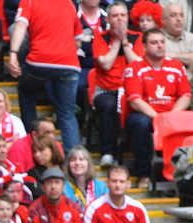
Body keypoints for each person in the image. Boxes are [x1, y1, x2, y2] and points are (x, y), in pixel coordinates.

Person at [8, 0, 82, 153]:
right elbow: (78, 42)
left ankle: (32, 147)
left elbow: (19, 26)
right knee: (67, 114)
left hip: (40, 61)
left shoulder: (29, 1)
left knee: (26, 91)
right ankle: (74, 159)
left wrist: (13, 53)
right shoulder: (69, 4)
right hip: (69, 65)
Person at [123, 28, 191, 188]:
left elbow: (186, 96)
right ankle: (144, 175)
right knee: (141, 123)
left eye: (162, 42)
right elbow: (135, 101)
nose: (160, 46)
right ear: (144, 47)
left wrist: (171, 117)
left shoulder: (176, 66)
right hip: (146, 114)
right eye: (154, 43)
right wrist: (159, 119)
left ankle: (187, 174)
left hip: (172, 115)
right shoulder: (134, 67)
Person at [92, 2, 144, 168]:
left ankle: (133, 153)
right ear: (107, 19)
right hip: (106, 90)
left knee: (140, 114)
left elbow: (138, 65)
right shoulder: (100, 37)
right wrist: (116, 42)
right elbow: (106, 64)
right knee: (108, 104)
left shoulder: (137, 37)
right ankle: (108, 153)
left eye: (123, 15)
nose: (120, 19)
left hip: (132, 90)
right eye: (115, 16)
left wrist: (125, 42)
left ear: (128, 18)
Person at [63, 145, 107, 212]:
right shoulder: (63, 188)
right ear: (68, 165)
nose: (77, 163)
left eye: (81, 159)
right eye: (73, 160)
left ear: (88, 164)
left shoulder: (102, 187)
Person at [26, 135, 64, 200]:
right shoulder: (33, 173)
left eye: (41, 150)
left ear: (52, 150)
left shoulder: (65, 168)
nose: (37, 155)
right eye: (35, 152)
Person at [162, 2, 193, 79]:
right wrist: (188, 58)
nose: (179, 19)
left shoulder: (192, 38)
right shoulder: (156, 38)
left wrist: (172, 55)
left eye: (181, 15)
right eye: (173, 15)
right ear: (163, 20)